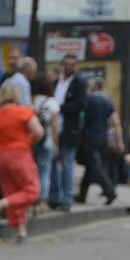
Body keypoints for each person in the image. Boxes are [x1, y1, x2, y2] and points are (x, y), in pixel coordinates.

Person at [0, 81, 43, 241]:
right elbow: (38, 131)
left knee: (12, 192)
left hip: (0, 156)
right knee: (31, 190)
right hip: (20, 153)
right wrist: (29, 141)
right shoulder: (24, 112)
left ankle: (21, 231)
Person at [50, 54, 86, 209]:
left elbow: (81, 105)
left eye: (72, 64)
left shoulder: (79, 84)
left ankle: (66, 198)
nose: (69, 67)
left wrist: (60, 107)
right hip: (53, 129)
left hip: (68, 130)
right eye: (66, 64)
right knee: (52, 164)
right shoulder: (56, 82)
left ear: (76, 66)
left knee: (67, 164)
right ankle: (55, 197)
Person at [75, 78, 119, 205]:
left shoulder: (89, 99)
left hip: (90, 138)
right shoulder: (108, 101)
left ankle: (110, 191)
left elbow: (82, 119)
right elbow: (115, 122)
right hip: (102, 138)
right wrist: (118, 140)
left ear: (94, 87)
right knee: (90, 167)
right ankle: (82, 195)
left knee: (95, 166)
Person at [32, 75, 60, 211]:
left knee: (34, 170)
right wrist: (56, 144)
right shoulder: (52, 102)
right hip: (47, 140)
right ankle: (43, 201)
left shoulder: (34, 101)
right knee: (45, 171)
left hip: (34, 140)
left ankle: (33, 199)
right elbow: (54, 125)